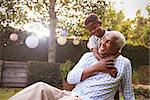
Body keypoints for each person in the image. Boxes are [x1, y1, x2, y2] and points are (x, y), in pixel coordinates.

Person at [9, 31, 135, 100]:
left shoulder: (124, 64)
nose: (103, 43)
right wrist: (95, 68)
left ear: (117, 50)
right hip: (70, 95)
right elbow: (70, 78)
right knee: (40, 88)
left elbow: (128, 93)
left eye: (109, 42)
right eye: (103, 40)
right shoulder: (88, 56)